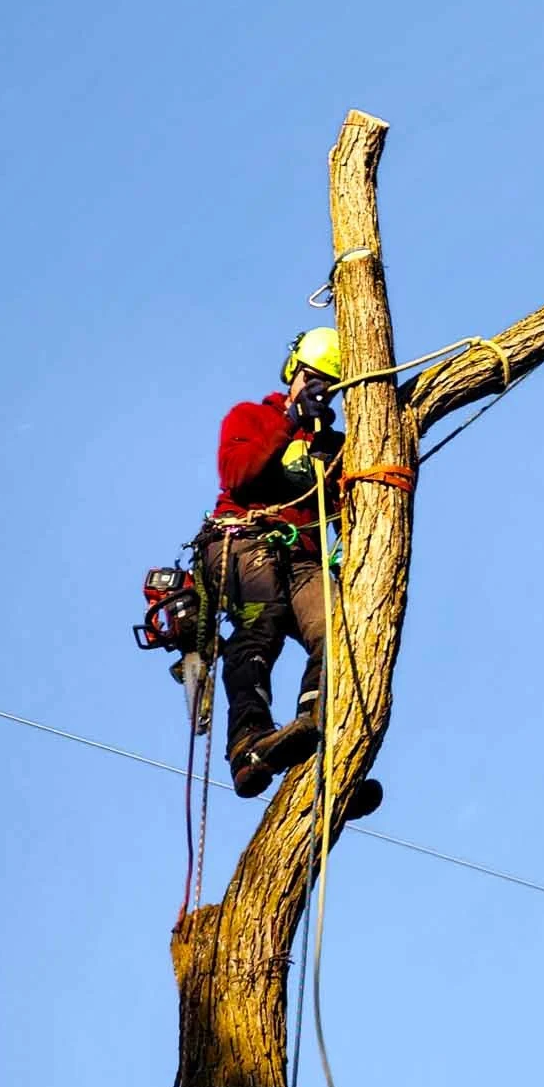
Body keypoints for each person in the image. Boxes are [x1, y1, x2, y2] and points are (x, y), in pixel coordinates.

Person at [199, 327, 346, 799]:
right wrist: (290, 422)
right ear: (292, 373)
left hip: (304, 556)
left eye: (330, 385)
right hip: (243, 539)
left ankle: (321, 731)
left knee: (340, 625)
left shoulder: (337, 445)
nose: (318, 389)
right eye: (312, 378)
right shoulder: (251, 417)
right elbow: (238, 475)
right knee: (261, 622)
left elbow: (350, 515)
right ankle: (249, 742)